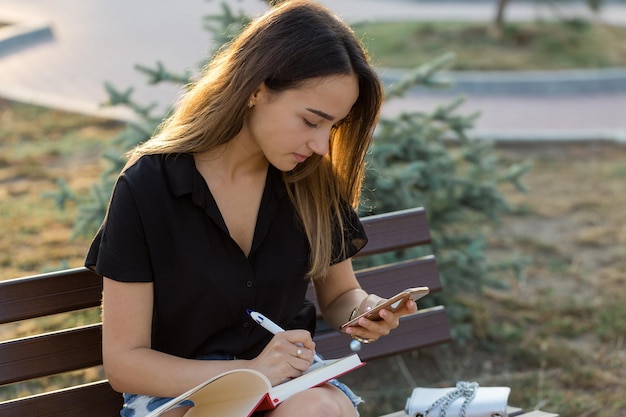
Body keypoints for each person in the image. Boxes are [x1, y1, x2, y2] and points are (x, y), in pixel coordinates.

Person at [85, 1, 418, 416]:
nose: (321, 145)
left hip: (286, 384)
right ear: (257, 89)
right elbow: (125, 363)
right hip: (180, 391)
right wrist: (251, 371)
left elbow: (340, 294)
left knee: (320, 409)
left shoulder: (311, 182)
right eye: (312, 121)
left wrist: (364, 310)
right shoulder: (150, 187)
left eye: (334, 126)